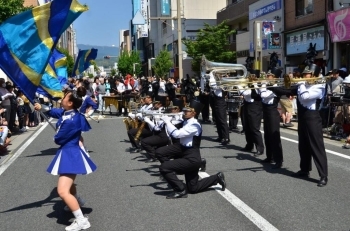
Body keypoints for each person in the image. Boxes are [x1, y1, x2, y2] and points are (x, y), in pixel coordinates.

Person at [34, 86, 97, 230]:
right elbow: (56, 112)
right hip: (69, 152)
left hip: (71, 154)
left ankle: (81, 220)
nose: (62, 99)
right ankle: (77, 201)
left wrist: (57, 134)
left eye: (65, 97)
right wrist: (42, 107)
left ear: (70, 103)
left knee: (62, 191)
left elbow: (59, 139)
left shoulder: (72, 120)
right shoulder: (70, 113)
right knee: (68, 184)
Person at [158, 102, 226, 199]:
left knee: (164, 167)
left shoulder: (195, 125)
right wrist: (164, 120)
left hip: (192, 158)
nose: (184, 112)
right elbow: (171, 127)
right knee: (193, 188)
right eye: (184, 110)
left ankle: (180, 190)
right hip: (186, 155)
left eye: (188, 111)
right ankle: (216, 178)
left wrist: (167, 122)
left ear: (194, 113)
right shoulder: (185, 121)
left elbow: (176, 134)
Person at [291, 64, 328, 187]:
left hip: (313, 117)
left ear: (314, 75)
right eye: (304, 74)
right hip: (303, 117)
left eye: (307, 74)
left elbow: (305, 97)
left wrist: (300, 84)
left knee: (316, 146)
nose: (304, 76)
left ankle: (323, 175)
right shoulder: (305, 85)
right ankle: (304, 169)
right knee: (303, 145)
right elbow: (292, 92)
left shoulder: (320, 86)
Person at [257, 72, 285, 169]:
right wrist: (258, 84)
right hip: (266, 113)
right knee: (267, 135)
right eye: (267, 76)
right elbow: (259, 94)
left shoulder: (276, 88)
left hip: (273, 113)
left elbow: (264, 95)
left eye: (269, 77)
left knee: (274, 136)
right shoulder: (267, 86)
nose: (267, 78)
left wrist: (262, 84)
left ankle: (279, 160)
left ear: (274, 78)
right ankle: (270, 157)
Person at [208, 72, 230, 145]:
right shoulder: (218, 81)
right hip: (215, 100)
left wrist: (212, 75)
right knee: (217, 120)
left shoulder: (222, 81)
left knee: (222, 120)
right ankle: (220, 136)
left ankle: (226, 137)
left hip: (220, 101)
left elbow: (214, 86)